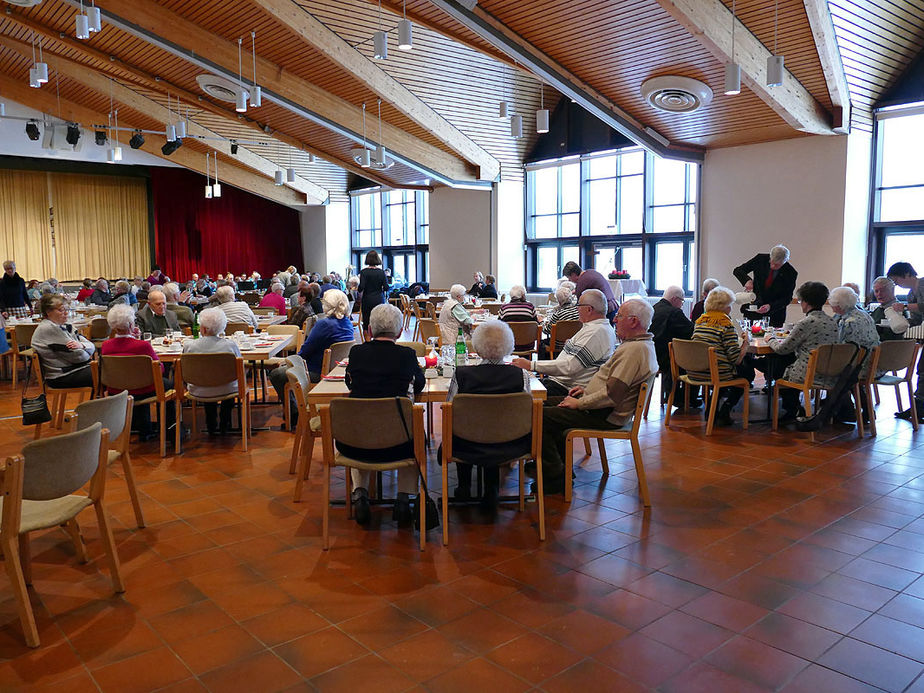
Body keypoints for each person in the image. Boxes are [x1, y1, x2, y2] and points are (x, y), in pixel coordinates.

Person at [537, 298, 657, 493]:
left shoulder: (634, 350)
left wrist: (579, 403)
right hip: (597, 406)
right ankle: (559, 468)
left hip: (603, 414)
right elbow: (612, 386)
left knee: (540, 416)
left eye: (619, 316)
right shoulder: (640, 345)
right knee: (539, 403)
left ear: (634, 321)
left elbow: (612, 396)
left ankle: (556, 477)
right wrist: (585, 391)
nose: (615, 320)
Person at [343, 303, 426, 525]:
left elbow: (348, 381)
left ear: (370, 330)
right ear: (399, 332)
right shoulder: (407, 355)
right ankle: (403, 496)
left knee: (361, 424)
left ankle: (360, 492)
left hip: (356, 442)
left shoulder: (356, 352)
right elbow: (419, 385)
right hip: (399, 442)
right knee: (416, 433)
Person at [444, 320, 532, 507]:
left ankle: (464, 485)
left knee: (463, 425)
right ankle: (491, 489)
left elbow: (449, 409)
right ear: (509, 345)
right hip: (510, 443)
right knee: (494, 426)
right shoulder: (521, 375)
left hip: (467, 444)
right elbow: (526, 410)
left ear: (477, 347)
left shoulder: (462, 374)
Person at [513, 288, 615, 397]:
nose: (576, 309)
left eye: (578, 306)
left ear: (589, 309)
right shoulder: (595, 328)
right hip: (559, 382)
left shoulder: (596, 332)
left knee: (515, 393)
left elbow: (569, 367)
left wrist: (531, 365)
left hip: (564, 388)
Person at [766, 281, 839, 422]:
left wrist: (769, 338)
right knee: (784, 363)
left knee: (777, 367)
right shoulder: (832, 322)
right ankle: (794, 407)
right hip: (829, 372)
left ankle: (792, 409)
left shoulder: (806, 323)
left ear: (805, 302)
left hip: (808, 372)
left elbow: (782, 349)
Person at [269, 289, 354, 409]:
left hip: (317, 370)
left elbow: (305, 352)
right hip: (336, 369)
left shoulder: (323, 324)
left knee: (276, 374)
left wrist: (290, 361)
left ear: (327, 305)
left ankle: (294, 412)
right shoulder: (347, 323)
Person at [100, 304, 175, 441]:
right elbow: (160, 369)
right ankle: (169, 430)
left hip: (117, 389)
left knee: (135, 379)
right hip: (144, 389)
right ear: (131, 324)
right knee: (168, 384)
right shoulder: (143, 346)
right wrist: (136, 339)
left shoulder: (105, 346)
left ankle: (142, 427)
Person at [689, 287, 753, 426]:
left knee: (724, 368)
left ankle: (711, 411)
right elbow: (736, 359)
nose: (731, 309)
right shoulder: (725, 325)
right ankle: (726, 408)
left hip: (696, 370)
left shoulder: (700, 322)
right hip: (716, 372)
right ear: (723, 307)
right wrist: (745, 344)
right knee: (747, 374)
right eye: (729, 305)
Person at [182, 308, 241, 435]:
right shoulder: (231, 345)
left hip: (199, 389)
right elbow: (238, 368)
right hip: (227, 389)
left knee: (206, 379)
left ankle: (211, 423)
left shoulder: (189, 346)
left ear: (202, 329)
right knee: (225, 380)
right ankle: (225, 421)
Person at [830, 285, 880, 423]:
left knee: (831, 371)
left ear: (839, 306)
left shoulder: (848, 321)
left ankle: (844, 410)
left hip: (860, 366)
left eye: (832, 304)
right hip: (873, 362)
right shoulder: (863, 314)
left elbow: (841, 347)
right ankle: (863, 409)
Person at [31, 294, 95, 388]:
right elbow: (79, 356)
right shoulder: (48, 328)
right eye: (61, 310)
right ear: (48, 312)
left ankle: (105, 401)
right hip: (61, 376)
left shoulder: (65, 325)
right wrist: (87, 348)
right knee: (108, 374)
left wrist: (82, 346)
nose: (66, 313)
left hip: (74, 369)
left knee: (109, 370)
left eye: (67, 309)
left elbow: (89, 345)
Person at [886, 262, 924, 418]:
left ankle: (919, 406)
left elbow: (917, 308)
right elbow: (916, 320)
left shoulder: (922, 285)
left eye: (897, 280)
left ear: (907, 274)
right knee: (922, 369)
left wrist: (907, 308)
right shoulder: (910, 295)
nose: (897, 285)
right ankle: (918, 406)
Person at [733, 244, 797, 327]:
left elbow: (787, 298)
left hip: (774, 315)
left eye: (777, 265)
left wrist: (770, 306)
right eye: (772, 262)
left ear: (784, 262)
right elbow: (738, 271)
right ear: (770, 257)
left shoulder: (790, 272)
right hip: (753, 310)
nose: (773, 266)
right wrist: (747, 281)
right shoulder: (760, 259)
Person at [650, 285, 694, 403]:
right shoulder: (674, 312)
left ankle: (672, 396)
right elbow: (691, 331)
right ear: (675, 299)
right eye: (682, 301)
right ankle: (684, 399)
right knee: (694, 363)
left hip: (652, 356)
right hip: (667, 359)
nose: (681, 304)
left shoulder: (653, 308)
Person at [541, 283, 581, 355]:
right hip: (576, 342)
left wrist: (541, 322)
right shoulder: (578, 311)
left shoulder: (558, 314)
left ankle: (546, 364)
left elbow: (546, 331)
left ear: (559, 301)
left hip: (559, 344)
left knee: (541, 344)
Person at [869, 276, 910, 342]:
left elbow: (892, 336)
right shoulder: (877, 310)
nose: (879, 294)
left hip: (889, 348)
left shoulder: (899, 309)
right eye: (876, 291)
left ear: (892, 290)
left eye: (883, 290)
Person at [358, 250, 389, 336]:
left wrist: (358, 289)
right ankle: (379, 340)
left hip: (367, 299)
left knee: (367, 321)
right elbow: (386, 287)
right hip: (379, 298)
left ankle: (367, 341)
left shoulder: (364, 272)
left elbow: (362, 287)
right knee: (379, 320)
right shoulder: (381, 272)